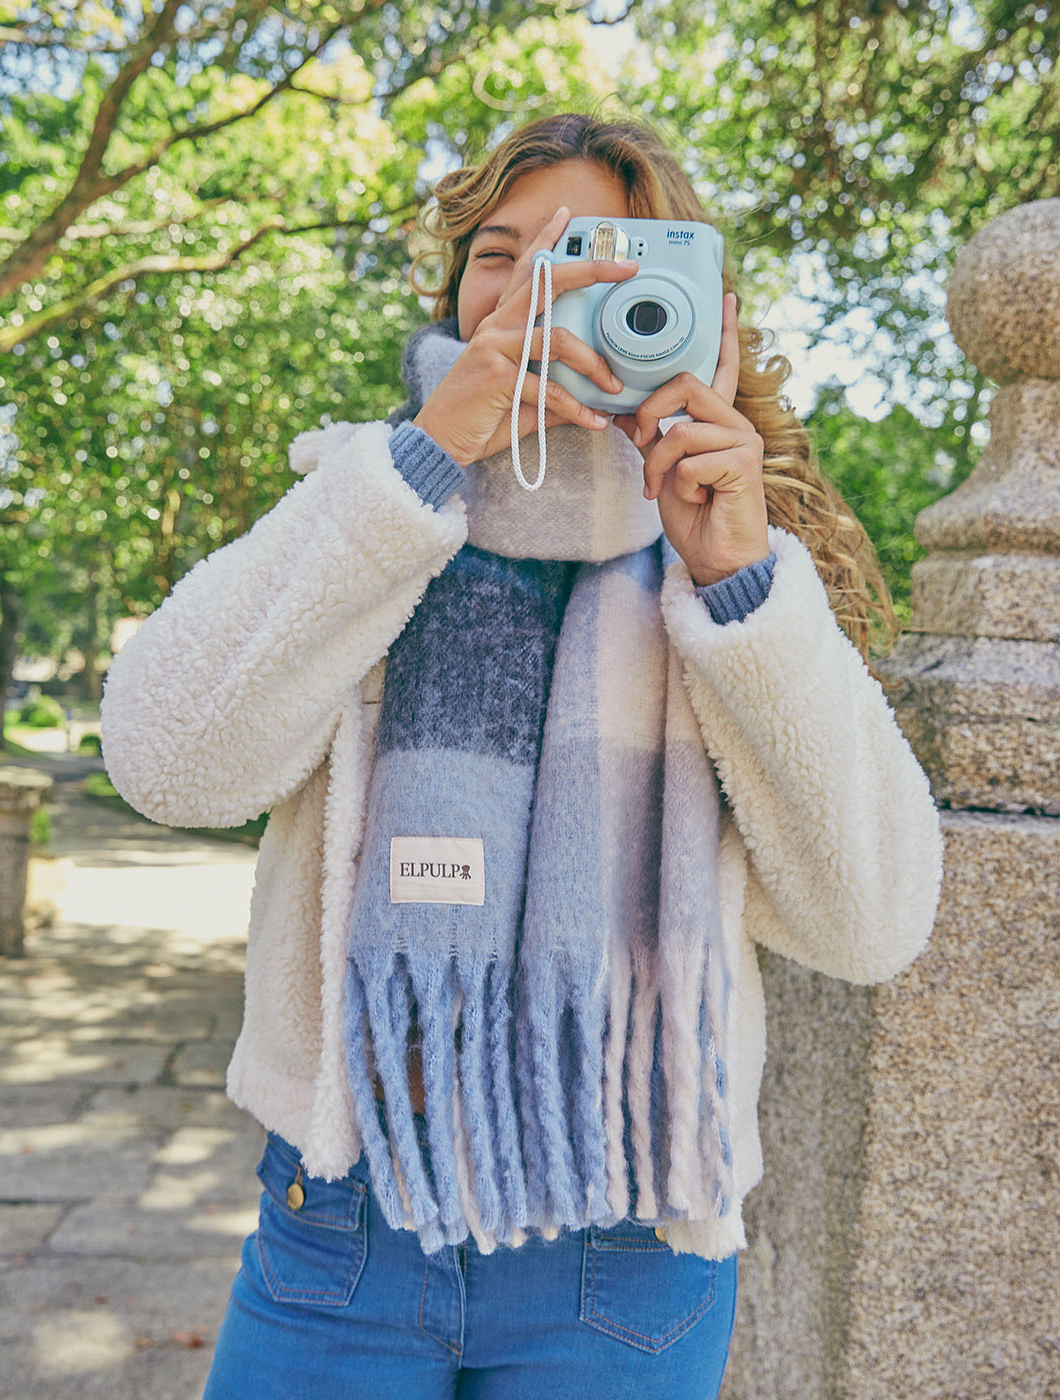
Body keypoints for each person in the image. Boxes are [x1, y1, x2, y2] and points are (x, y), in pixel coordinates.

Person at [99, 112, 943, 1400]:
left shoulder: (735, 564)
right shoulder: (365, 502)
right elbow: (167, 764)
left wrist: (737, 584)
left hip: (625, 1248)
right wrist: (421, 464)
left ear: (686, 302)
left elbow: (873, 921)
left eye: (592, 250)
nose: (544, 285)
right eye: (502, 251)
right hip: (344, 1231)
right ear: (457, 290)